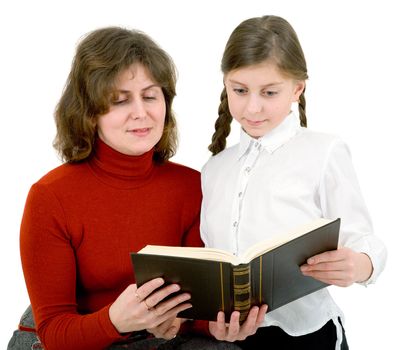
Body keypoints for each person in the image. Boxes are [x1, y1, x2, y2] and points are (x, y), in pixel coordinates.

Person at [8, 26, 245, 350]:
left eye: (150, 96)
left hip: (156, 340)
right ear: (89, 113)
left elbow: (196, 308)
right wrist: (115, 321)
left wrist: (213, 326)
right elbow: (56, 333)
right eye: (120, 101)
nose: (140, 113)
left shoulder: (190, 187)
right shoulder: (50, 197)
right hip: (68, 339)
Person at [200, 15, 387, 350]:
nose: (252, 107)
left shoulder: (324, 152)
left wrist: (360, 264)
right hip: (236, 340)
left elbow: (364, 239)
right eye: (239, 90)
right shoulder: (214, 169)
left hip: (309, 336)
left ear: (297, 88)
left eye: (269, 92)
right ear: (225, 83)